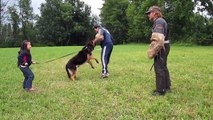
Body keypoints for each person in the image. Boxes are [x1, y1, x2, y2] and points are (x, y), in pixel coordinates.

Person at [146, 6, 171, 96]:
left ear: (155, 13)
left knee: (159, 67)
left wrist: (153, 51)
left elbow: (158, 39)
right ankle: (167, 87)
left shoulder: (159, 21)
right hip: (165, 46)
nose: (148, 15)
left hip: (161, 47)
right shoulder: (161, 21)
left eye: (150, 13)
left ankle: (160, 91)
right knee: (163, 66)